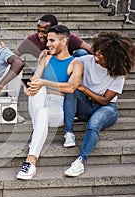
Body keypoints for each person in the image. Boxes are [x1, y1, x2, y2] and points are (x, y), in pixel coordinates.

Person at [16, 25, 83, 180]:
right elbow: (35, 80)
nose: (47, 44)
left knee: (43, 111)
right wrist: (31, 87)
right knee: (36, 89)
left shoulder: (76, 64)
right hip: (40, 101)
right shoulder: (46, 57)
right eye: (47, 40)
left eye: (52, 40)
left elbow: (71, 88)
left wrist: (44, 84)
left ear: (64, 41)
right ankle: (35, 141)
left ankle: (31, 161)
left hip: (60, 109)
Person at [63, 31, 135, 177]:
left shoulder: (118, 73)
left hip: (106, 109)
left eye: (102, 53)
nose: (97, 54)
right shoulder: (84, 60)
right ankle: (68, 133)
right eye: (98, 50)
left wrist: (83, 88)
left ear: (112, 57)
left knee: (94, 124)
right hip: (85, 107)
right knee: (72, 92)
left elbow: (104, 100)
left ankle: (80, 161)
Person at [14, 14, 92, 59]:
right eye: (38, 31)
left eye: (44, 32)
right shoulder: (32, 40)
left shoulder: (67, 37)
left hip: (69, 66)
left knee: (82, 53)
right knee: (34, 71)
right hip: (49, 68)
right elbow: (14, 54)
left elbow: (91, 50)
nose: (40, 35)